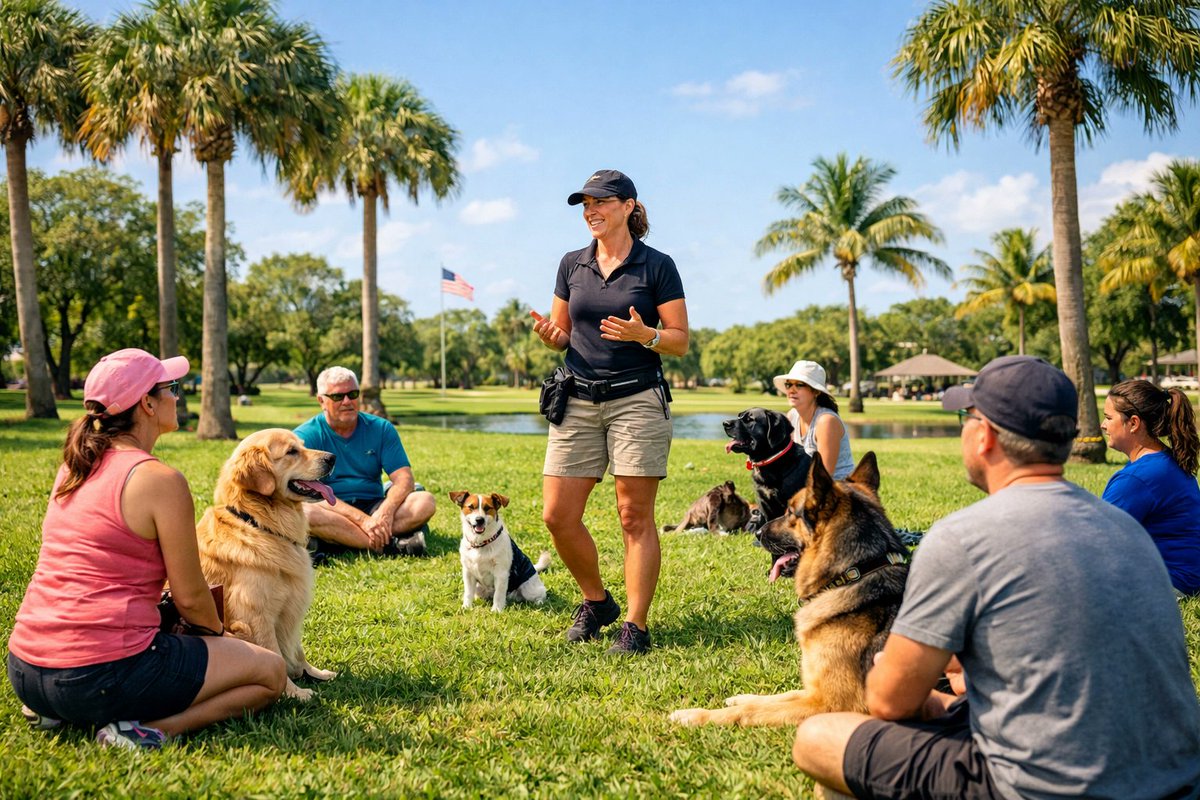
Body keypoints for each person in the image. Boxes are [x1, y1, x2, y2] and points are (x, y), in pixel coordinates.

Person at [791, 355, 1200, 799]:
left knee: (819, 736)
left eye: (966, 419)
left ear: (984, 435)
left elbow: (888, 700)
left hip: (1041, 789)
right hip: (1176, 781)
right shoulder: (1129, 532)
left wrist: (894, 671)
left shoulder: (962, 538)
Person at [6, 349, 286, 749]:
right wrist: (221, 637)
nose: (177, 395)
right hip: (101, 675)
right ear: (147, 404)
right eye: (170, 388)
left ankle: (58, 708)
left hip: (26, 671)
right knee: (270, 673)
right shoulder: (159, 480)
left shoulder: (73, 467)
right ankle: (149, 730)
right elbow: (191, 598)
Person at [531, 169, 688, 655]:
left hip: (637, 399)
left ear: (628, 206)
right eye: (586, 205)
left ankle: (635, 627)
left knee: (633, 516)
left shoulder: (656, 266)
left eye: (600, 202)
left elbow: (680, 341)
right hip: (577, 398)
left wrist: (647, 335)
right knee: (557, 515)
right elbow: (562, 331)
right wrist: (552, 336)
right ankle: (597, 601)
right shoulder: (571, 264)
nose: (591, 211)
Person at [295, 366, 435, 557]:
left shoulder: (381, 428)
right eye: (338, 396)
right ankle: (391, 546)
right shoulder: (304, 437)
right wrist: (362, 521)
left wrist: (385, 512)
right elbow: (309, 492)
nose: (347, 401)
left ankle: (340, 541)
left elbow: (404, 479)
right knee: (306, 513)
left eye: (353, 394)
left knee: (424, 502)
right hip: (333, 509)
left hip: (374, 505)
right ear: (321, 401)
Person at [1101, 378, 1200, 596]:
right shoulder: (1166, 461)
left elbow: (1098, 538)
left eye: (1108, 418)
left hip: (1167, 583)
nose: (1103, 425)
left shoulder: (1138, 478)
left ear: (1133, 423)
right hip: (1186, 578)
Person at [773, 360, 854, 480]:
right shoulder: (792, 416)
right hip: (808, 483)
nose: (792, 390)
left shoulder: (826, 421)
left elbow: (824, 476)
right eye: (789, 385)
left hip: (837, 487)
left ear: (816, 391)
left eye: (799, 385)